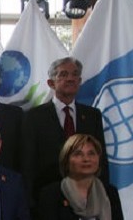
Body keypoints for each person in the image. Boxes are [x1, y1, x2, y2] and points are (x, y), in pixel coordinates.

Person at [21, 56, 107, 203]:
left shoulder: (93, 116)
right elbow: (28, 164)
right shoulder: (33, 117)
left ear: (79, 82)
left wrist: (103, 194)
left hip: (87, 196)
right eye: (63, 74)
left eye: (75, 75)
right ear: (51, 83)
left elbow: (101, 159)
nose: (70, 79)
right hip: (48, 197)